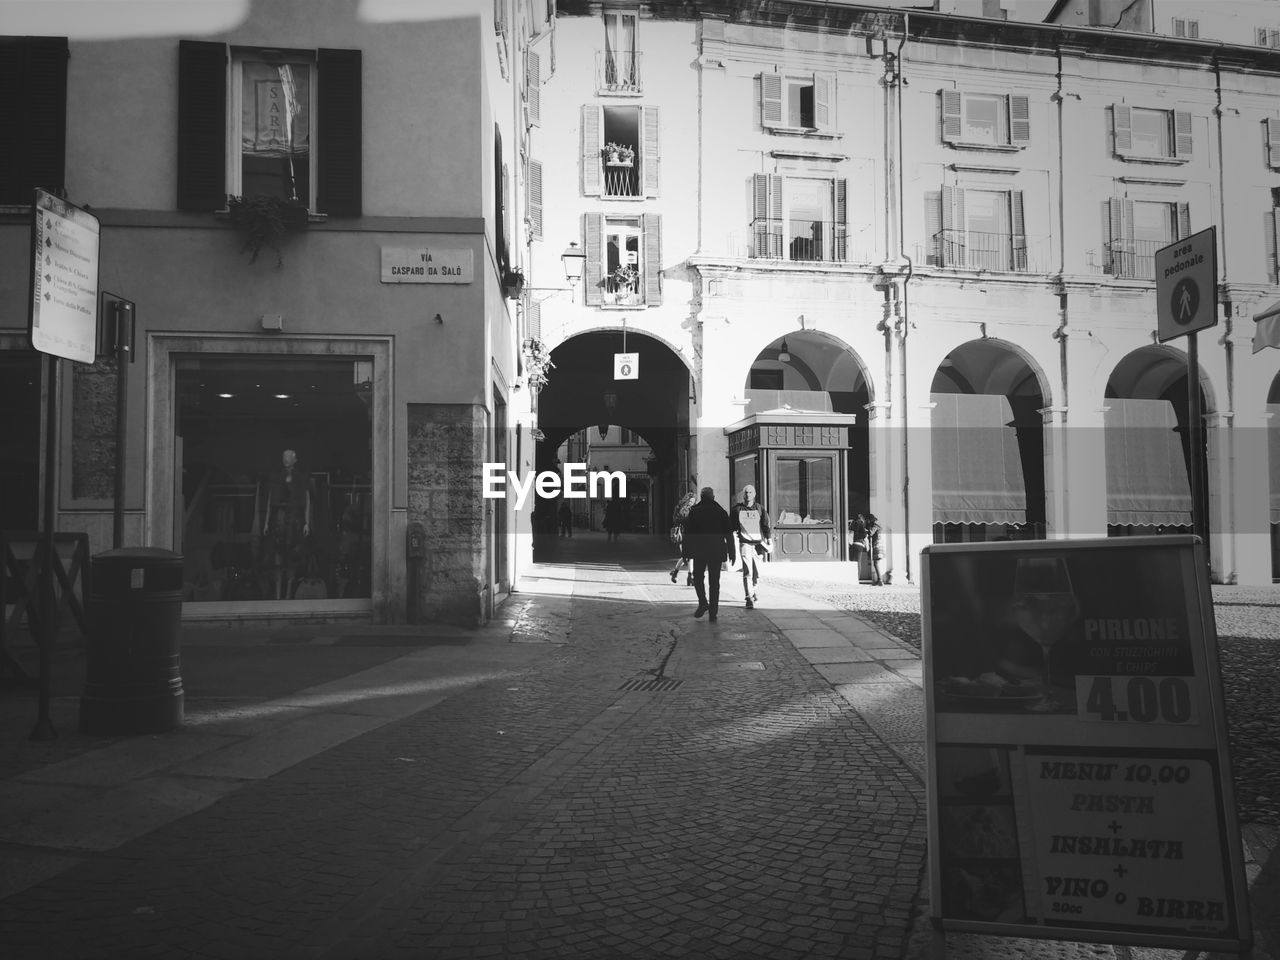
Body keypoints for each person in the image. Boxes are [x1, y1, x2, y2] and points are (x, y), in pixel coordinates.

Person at [260, 448, 314, 600]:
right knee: (277, 560)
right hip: (279, 522)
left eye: (289, 456)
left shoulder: (301, 478)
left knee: (292, 559)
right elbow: (271, 500)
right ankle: (278, 597)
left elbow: (307, 500)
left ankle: (288, 596)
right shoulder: (277, 478)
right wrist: (266, 523)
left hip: (295, 522)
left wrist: (307, 523)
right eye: (284, 456)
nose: (286, 459)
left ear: (295, 459)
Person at [681, 486, 736, 622]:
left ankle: (703, 602)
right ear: (713, 497)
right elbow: (729, 534)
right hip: (716, 551)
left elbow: (687, 534)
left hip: (699, 551)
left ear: (701, 497)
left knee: (698, 578)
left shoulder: (694, 512)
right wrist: (732, 552)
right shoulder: (721, 512)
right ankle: (713, 613)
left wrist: (685, 552)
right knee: (714, 582)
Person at [730, 484, 773, 609]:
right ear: (742, 495)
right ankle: (748, 597)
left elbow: (765, 525)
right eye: (746, 492)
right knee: (748, 571)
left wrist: (769, 539)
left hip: (758, 544)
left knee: (757, 573)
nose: (748, 495)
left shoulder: (760, 508)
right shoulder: (737, 510)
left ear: (754, 494)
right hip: (745, 543)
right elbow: (731, 526)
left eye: (750, 492)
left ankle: (754, 590)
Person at [668, 488, 697, 585]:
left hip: (691, 535)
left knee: (687, 557)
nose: (691, 503)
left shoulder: (693, 509)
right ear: (687, 500)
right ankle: (690, 576)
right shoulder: (680, 509)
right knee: (688, 557)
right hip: (683, 535)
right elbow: (677, 521)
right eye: (690, 501)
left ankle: (676, 573)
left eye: (693, 502)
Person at [865, 512, 885, 586]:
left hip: (877, 545)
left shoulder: (876, 524)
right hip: (877, 544)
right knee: (876, 563)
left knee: (876, 563)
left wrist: (866, 529)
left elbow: (871, 533)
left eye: (867, 520)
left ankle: (880, 580)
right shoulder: (876, 523)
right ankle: (879, 580)